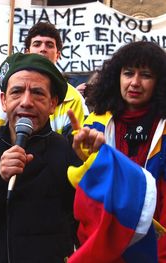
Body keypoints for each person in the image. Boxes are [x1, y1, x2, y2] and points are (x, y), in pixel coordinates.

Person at [0, 52, 104, 262]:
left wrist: (94, 166)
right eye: (16, 92)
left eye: (37, 93)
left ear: (53, 104)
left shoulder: (69, 153)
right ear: (4, 101)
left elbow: (97, 227)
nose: (26, 102)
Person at [83, 41, 166, 262]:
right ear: (116, 77)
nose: (135, 82)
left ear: (159, 82)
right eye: (128, 73)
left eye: (145, 75)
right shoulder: (95, 123)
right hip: (109, 246)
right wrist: (82, 155)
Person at [24, 22, 87, 136]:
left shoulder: (73, 99)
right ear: (27, 52)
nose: (43, 49)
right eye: (37, 44)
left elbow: (77, 149)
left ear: (57, 55)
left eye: (49, 45)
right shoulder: (9, 91)